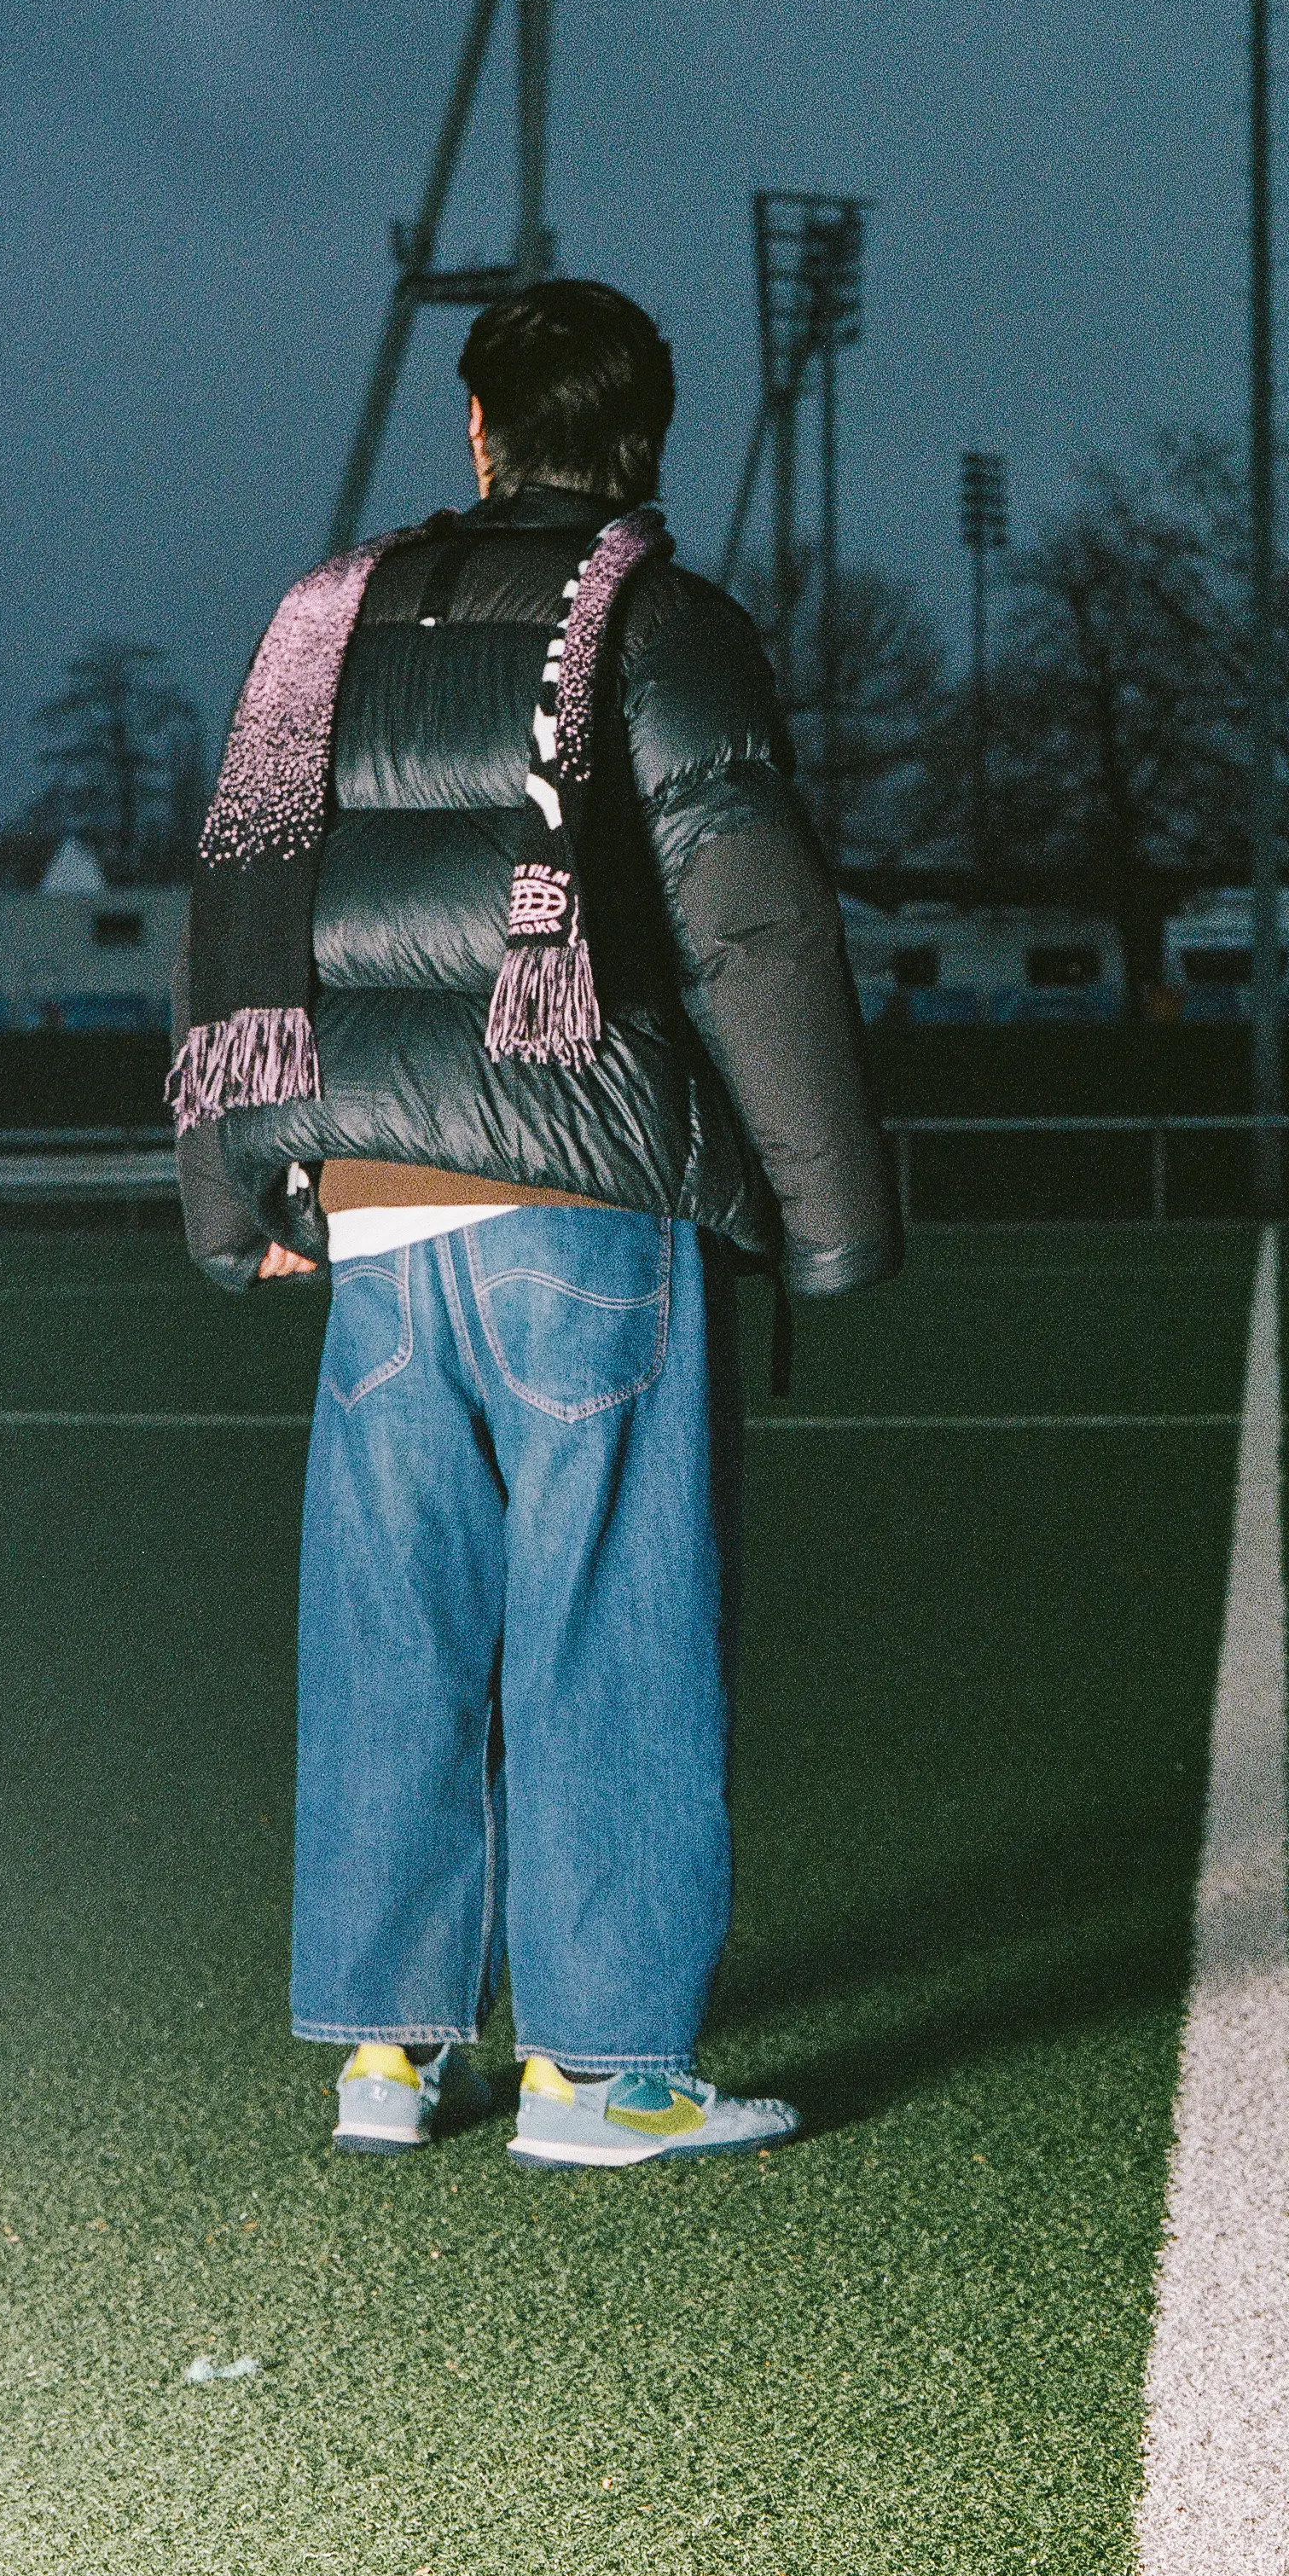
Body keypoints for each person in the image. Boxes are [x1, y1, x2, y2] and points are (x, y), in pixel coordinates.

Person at [173, 277, 899, 2171]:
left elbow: (245, 896)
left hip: (381, 1217)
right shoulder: (657, 621)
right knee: (609, 1629)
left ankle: (388, 2057)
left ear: (477, 430)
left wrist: (228, 1179)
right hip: (585, 1203)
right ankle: (597, 2071)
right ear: (647, 437)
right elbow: (752, 921)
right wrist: (830, 1210)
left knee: (390, 1628)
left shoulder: (317, 625)